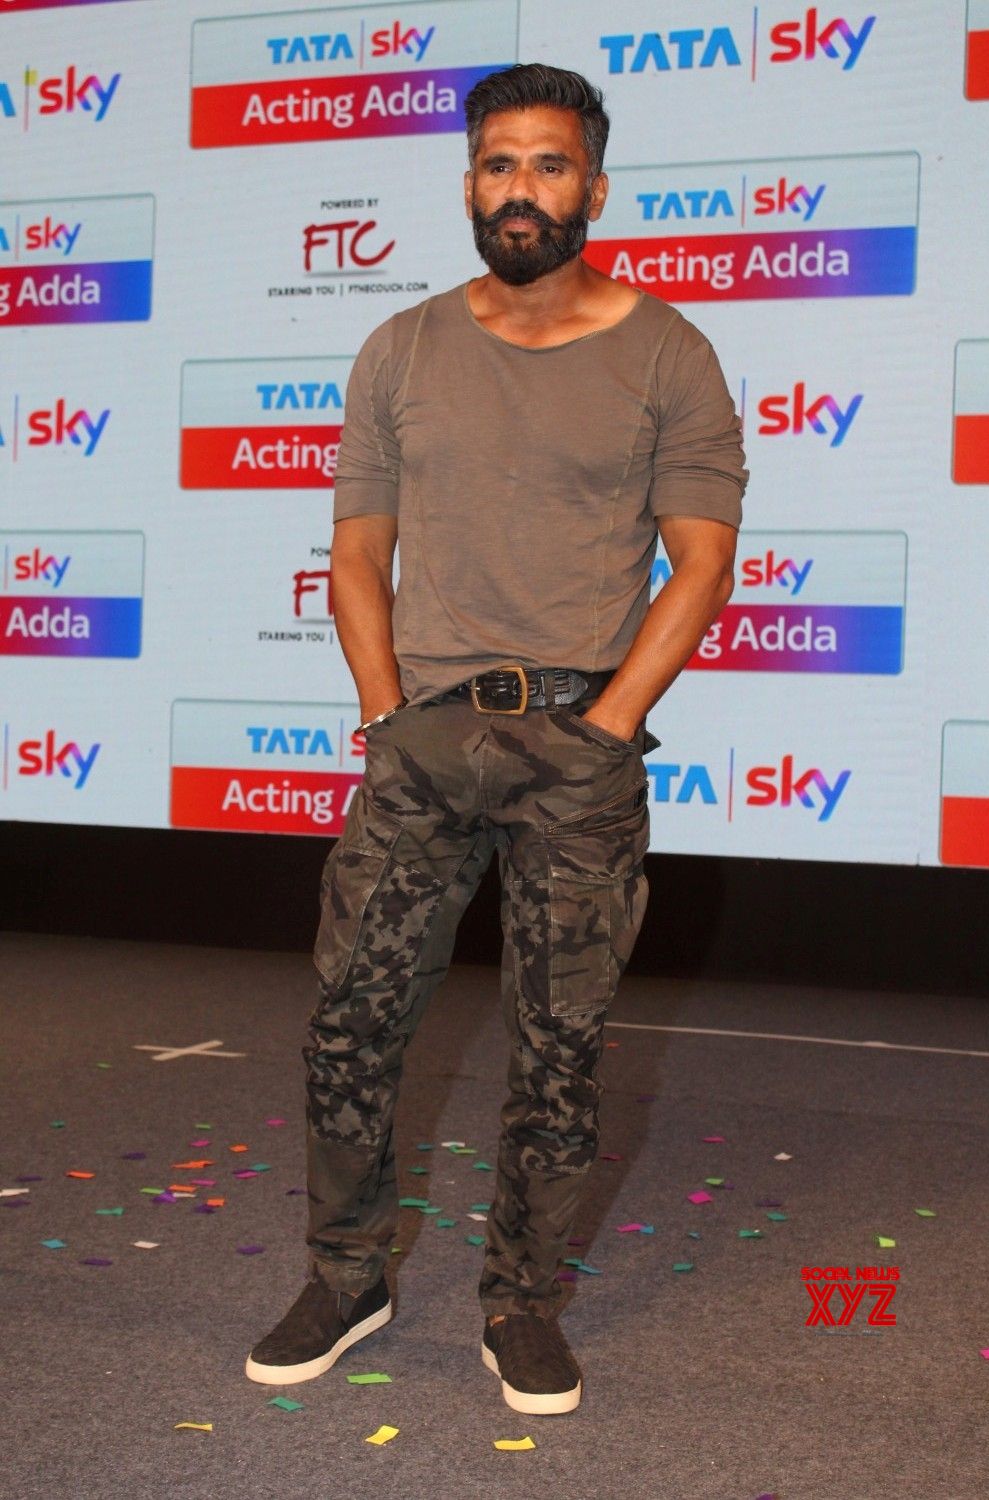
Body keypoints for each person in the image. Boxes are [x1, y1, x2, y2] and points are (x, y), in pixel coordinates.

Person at [246, 62, 747, 1416]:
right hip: (422, 743)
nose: (522, 189)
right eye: (499, 164)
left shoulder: (670, 353)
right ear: (470, 182)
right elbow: (359, 554)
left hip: (577, 751)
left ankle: (521, 1303)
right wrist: (382, 713)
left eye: (549, 164)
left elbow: (702, 562)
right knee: (351, 1020)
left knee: (559, 1046)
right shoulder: (401, 348)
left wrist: (609, 725)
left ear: (596, 187)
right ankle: (346, 1276)